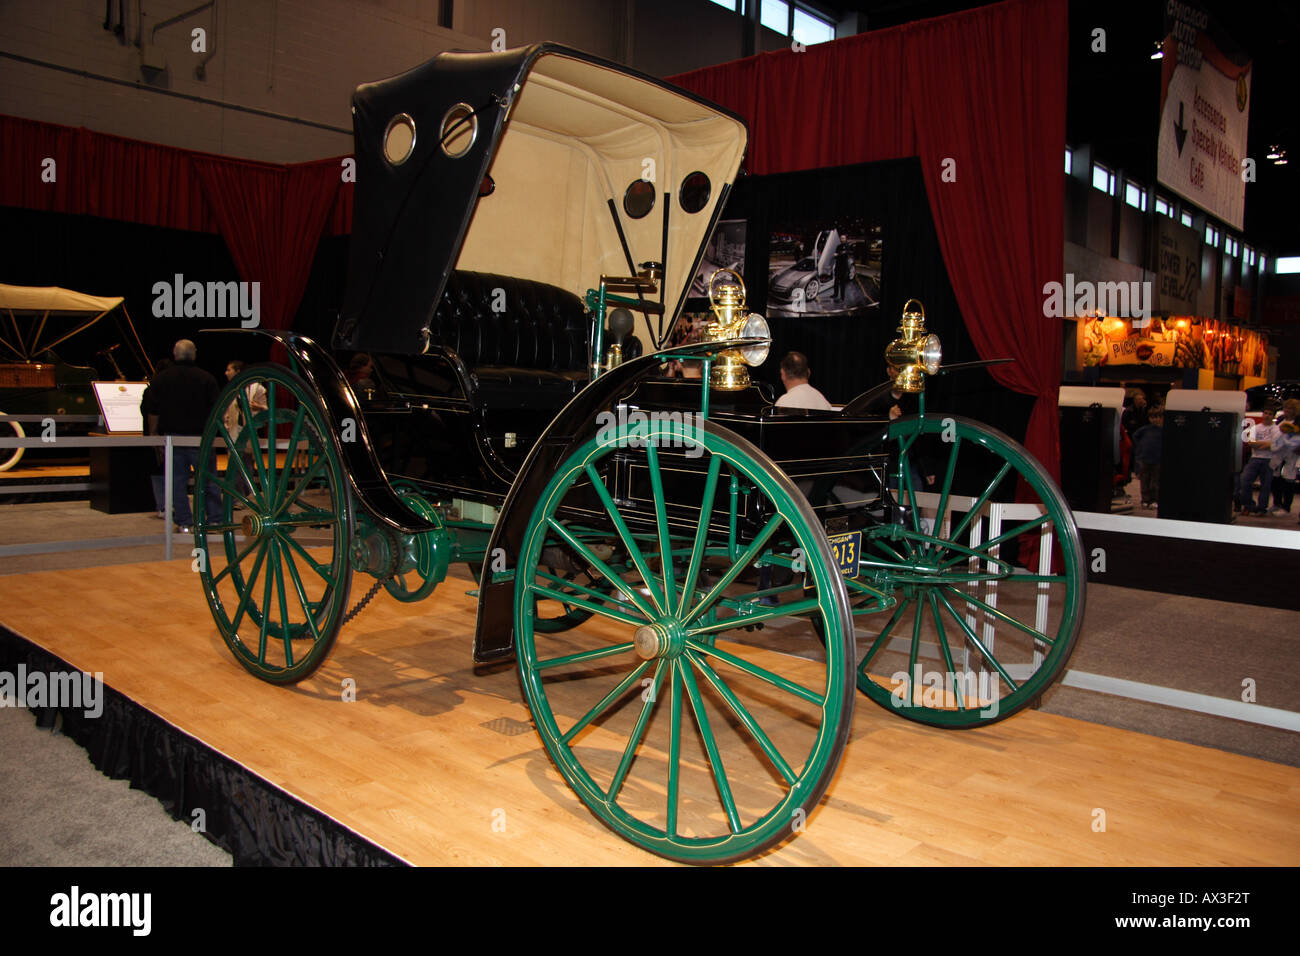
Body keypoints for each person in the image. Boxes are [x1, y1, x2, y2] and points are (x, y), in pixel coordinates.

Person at [140, 339, 220, 532]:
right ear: (194, 354)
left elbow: (153, 410)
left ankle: (184, 522)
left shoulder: (161, 379)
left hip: (173, 438)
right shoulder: (207, 378)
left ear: (175, 355)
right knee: (209, 480)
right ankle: (216, 520)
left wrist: (153, 434)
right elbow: (217, 409)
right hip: (201, 438)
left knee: (176, 482)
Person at [221, 359, 268, 497]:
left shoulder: (257, 388)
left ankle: (247, 494)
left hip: (250, 430)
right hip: (234, 430)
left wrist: (259, 407)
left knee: (247, 463)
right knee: (234, 464)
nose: (226, 373)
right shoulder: (230, 389)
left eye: (229, 369)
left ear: (237, 371)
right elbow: (224, 412)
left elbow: (268, 409)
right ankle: (237, 496)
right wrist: (226, 424)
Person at [1238, 402, 1282, 517]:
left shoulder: (1277, 429)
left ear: (1273, 416)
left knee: (1265, 485)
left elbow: (1274, 444)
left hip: (1269, 459)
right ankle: (1248, 505)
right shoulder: (1255, 427)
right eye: (1265, 413)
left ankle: (1262, 508)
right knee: (1245, 480)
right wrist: (1266, 444)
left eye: (1270, 414)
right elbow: (1251, 443)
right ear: (1262, 414)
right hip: (1255, 458)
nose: (1267, 415)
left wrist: (1262, 444)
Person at [1268, 399, 1300, 517]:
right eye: (1286, 408)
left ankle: (1286, 507)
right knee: (1275, 480)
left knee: (1288, 481)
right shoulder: (1280, 419)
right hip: (1277, 454)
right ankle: (1276, 504)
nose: (1287, 410)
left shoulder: (1298, 422)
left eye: (1290, 408)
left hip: (1291, 455)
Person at [1130, 406, 1163, 510]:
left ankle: (1154, 499)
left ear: (1161, 418)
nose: (1155, 419)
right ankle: (1145, 500)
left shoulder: (1163, 430)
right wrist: (1140, 447)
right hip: (1144, 459)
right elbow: (1135, 436)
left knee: (1155, 481)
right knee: (1144, 480)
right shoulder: (1144, 429)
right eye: (1153, 417)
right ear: (1149, 418)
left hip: (1157, 459)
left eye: (1157, 417)